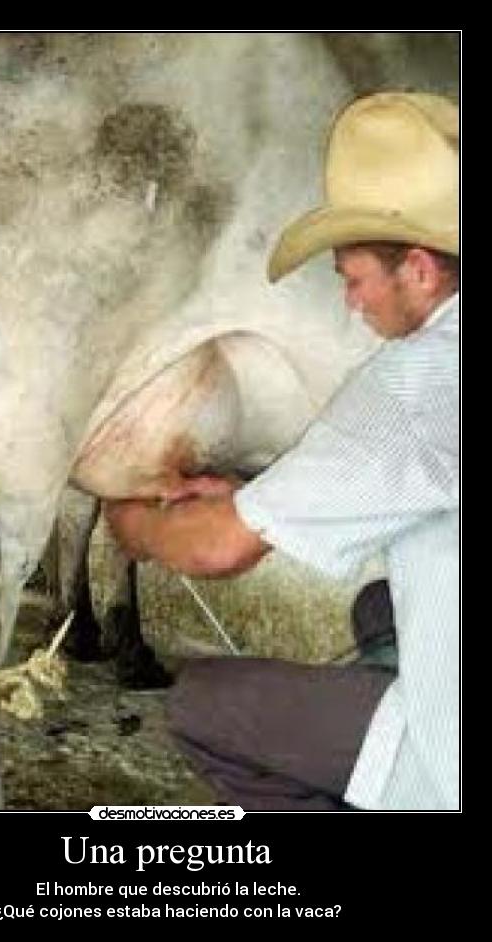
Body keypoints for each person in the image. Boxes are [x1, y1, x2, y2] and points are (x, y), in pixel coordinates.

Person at [104, 92, 460, 811]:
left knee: (203, 707)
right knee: (378, 608)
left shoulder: (418, 379)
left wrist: (127, 520)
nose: (353, 306)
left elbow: (218, 551)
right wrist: (245, 495)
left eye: (355, 281)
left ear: (418, 268)